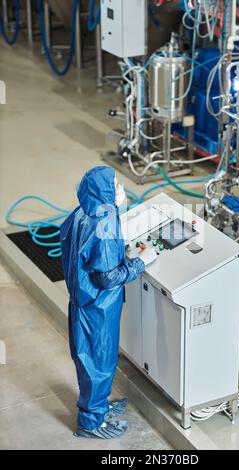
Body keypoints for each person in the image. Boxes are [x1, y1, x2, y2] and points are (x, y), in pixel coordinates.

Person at [60, 166, 157, 439]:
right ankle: (91, 423)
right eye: (115, 185)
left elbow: (84, 255)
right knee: (99, 363)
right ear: (103, 192)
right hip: (98, 307)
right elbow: (109, 279)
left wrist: (117, 253)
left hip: (83, 302)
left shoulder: (83, 212)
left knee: (90, 359)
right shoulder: (105, 222)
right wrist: (140, 262)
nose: (120, 190)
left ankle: (98, 406)